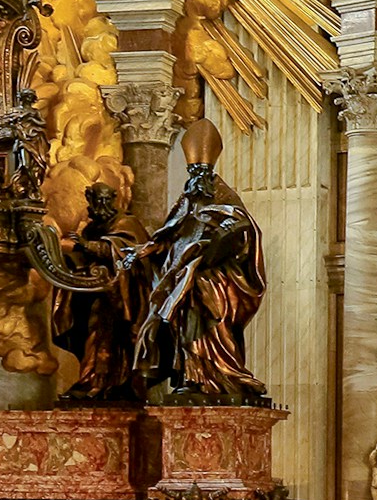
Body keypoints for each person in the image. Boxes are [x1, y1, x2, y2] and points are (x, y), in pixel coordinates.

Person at [131, 120, 267, 399]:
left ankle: (219, 375)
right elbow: (166, 237)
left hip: (215, 281)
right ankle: (189, 377)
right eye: (193, 171)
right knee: (181, 323)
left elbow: (244, 233)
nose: (197, 177)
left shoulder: (226, 199)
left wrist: (209, 247)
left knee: (208, 321)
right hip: (185, 280)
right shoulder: (186, 203)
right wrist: (144, 252)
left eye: (202, 171)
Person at [51, 182, 148, 400]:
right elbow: (86, 256)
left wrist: (85, 246)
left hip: (121, 297)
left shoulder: (126, 222)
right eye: (97, 200)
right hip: (97, 293)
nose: (102, 205)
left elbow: (124, 251)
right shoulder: (91, 228)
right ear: (90, 201)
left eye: (106, 200)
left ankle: (110, 382)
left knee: (108, 338)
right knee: (92, 334)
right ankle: (92, 380)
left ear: (113, 199)